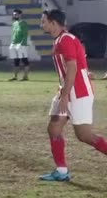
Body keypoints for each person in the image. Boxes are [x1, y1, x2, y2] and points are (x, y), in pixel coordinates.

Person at [39, 10, 107, 181]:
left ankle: (62, 171)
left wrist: (65, 96)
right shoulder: (62, 39)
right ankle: (62, 172)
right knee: (54, 129)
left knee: (84, 136)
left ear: (53, 23)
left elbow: (72, 68)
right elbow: (78, 63)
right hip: (67, 90)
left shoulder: (66, 39)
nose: (42, 24)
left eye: (44, 21)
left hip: (77, 93)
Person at [9, 9, 31, 82]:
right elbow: (14, 34)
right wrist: (12, 42)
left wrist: (22, 43)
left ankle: (26, 76)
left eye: (16, 14)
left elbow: (25, 34)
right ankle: (15, 76)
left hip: (21, 44)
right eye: (14, 14)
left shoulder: (23, 23)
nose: (15, 16)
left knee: (24, 60)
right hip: (14, 44)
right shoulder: (14, 23)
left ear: (20, 15)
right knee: (16, 61)